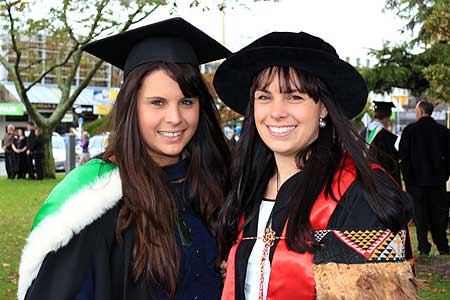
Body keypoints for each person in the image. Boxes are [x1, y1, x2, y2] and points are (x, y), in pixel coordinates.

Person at [18, 18, 231, 300]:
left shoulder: (215, 183)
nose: (175, 118)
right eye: (157, 102)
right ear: (132, 106)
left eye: (186, 102)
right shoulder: (94, 200)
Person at [214, 31, 418, 299]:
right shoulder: (245, 186)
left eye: (295, 97)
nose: (276, 112)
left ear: (323, 108)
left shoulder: (359, 195)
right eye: (264, 97)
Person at [399, 100, 450, 256]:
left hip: (416, 183)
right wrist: (444, 175)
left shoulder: (410, 131)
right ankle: (442, 245)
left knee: (420, 215)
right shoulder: (443, 131)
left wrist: (408, 179)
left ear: (420, 112)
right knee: (439, 214)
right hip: (437, 181)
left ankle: (423, 246)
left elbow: (404, 157)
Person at [360, 101, 401, 184]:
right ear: (387, 117)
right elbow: (392, 163)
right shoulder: (388, 137)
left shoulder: (363, 133)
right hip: (383, 181)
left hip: (364, 178)